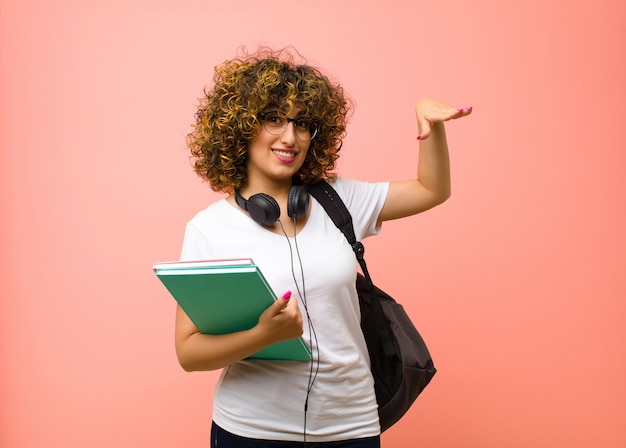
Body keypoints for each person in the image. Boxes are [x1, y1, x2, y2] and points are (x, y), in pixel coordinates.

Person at [175, 47, 472, 447]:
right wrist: (263, 335)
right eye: (273, 119)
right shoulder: (209, 229)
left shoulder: (338, 200)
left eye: (302, 124)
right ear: (240, 126)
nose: (290, 137)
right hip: (252, 430)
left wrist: (430, 126)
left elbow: (432, 190)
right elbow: (190, 353)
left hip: (352, 426)